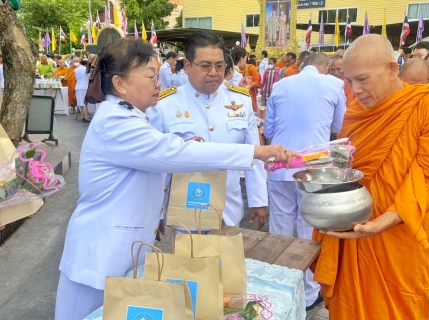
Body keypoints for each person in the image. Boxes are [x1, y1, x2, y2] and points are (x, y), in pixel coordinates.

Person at [55, 36, 295, 320]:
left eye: (158, 75)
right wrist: (256, 151)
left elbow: (162, 150)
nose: (159, 82)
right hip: (99, 254)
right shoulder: (115, 121)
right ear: (120, 83)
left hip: (123, 249)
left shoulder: (130, 117)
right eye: (150, 76)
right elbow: (174, 155)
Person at [312, 34, 429, 320]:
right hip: (354, 231)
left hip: (401, 235)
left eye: (363, 79)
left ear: (393, 69)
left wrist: (384, 221)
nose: (355, 90)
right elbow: (346, 168)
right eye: (350, 81)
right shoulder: (356, 111)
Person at [149, 30, 268, 230]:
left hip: (229, 210)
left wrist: (258, 199)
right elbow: (157, 163)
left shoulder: (240, 100)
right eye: (205, 66)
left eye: (219, 65)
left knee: (229, 260)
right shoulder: (165, 104)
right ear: (187, 66)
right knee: (185, 261)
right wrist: (158, 210)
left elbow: (253, 153)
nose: (214, 72)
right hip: (184, 208)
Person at [263, 53, 346, 311]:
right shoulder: (334, 84)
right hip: (314, 167)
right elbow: (341, 125)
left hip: (281, 163)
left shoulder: (280, 85)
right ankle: (309, 293)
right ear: (325, 67)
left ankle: (279, 285)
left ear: (301, 66)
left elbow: (267, 130)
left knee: (280, 223)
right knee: (310, 227)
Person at [232, 46, 260, 112]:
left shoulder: (232, 70)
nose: (246, 61)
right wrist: (247, 85)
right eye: (245, 58)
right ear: (241, 58)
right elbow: (240, 91)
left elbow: (256, 81)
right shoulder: (237, 73)